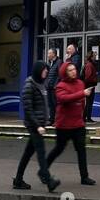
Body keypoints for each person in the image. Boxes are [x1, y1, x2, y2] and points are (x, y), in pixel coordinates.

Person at [45, 62, 95, 186]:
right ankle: (43, 170)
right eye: (70, 70)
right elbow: (63, 99)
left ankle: (85, 177)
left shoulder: (80, 83)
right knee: (58, 149)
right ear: (64, 73)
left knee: (81, 150)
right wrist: (82, 93)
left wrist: (81, 118)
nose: (73, 71)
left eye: (74, 69)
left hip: (78, 124)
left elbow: (81, 103)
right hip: (64, 125)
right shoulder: (60, 85)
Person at [14, 62, 59, 192]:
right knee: (41, 152)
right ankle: (49, 181)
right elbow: (28, 108)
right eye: (45, 70)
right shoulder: (29, 85)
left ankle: (18, 180)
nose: (46, 72)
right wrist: (38, 125)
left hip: (39, 124)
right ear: (38, 71)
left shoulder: (42, 84)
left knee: (27, 154)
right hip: (34, 125)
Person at [81, 50, 100, 123]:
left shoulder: (90, 64)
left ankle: (86, 117)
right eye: (94, 56)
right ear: (91, 57)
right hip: (89, 86)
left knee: (89, 102)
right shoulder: (89, 65)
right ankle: (86, 118)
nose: (95, 57)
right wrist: (94, 78)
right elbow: (88, 77)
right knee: (89, 102)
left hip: (90, 85)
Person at [44, 47, 61, 124]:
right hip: (49, 87)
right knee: (50, 104)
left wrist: (56, 85)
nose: (48, 55)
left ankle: (57, 120)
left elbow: (59, 75)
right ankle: (51, 120)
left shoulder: (59, 62)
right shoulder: (49, 63)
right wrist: (46, 84)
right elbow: (47, 75)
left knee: (55, 104)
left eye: (49, 53)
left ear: (54, 54)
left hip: (55, 88)